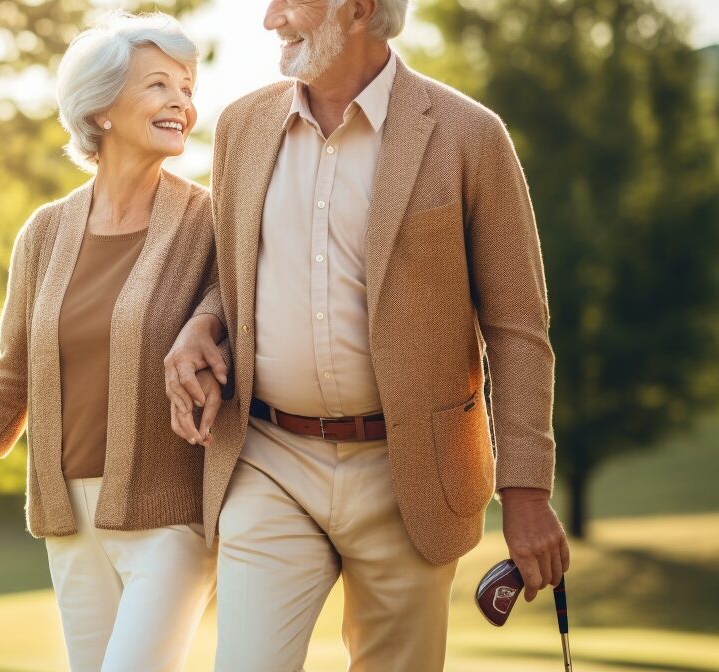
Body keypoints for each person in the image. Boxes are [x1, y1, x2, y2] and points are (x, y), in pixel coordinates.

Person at [163, 0, 571, 669]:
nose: (271, 19)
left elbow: (518, 327)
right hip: (268, 460)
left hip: (408, 475)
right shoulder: (241, 125)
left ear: (359, 8)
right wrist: (205, 322)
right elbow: (236, 268)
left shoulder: (470, 135)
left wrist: (526, 494)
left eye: (291, 1)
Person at [0, 11, 220, 671]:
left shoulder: (208, 221)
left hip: (170, 515)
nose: (181, 100)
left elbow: (235, 310)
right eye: (158, 85)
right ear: (102, 108)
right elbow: (10, 384)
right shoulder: (45, 234)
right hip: (70, 521)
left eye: (186, 86)